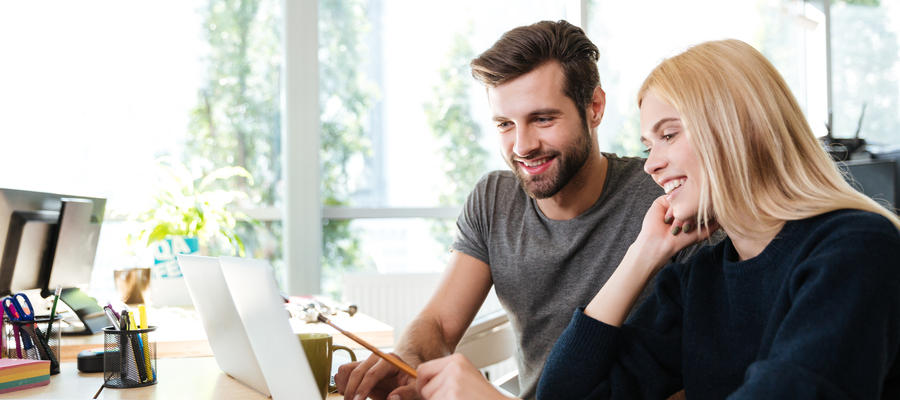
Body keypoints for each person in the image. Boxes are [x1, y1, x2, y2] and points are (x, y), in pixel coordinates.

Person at [335, 20, 710, 400]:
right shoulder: (494, 200)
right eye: (504, 124)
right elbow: (438, 324)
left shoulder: (669, 198)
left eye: (542, 119)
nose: (522, 146)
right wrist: (405, 361)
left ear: (594, 107)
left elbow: (700, 378)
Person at [535, 39, 900, 399]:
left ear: (739, 128)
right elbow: (561, 394)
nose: (651, 164)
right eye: (649, 145)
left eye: (669, 134)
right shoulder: (697, 282)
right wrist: (643, 253)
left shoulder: (855, 248)